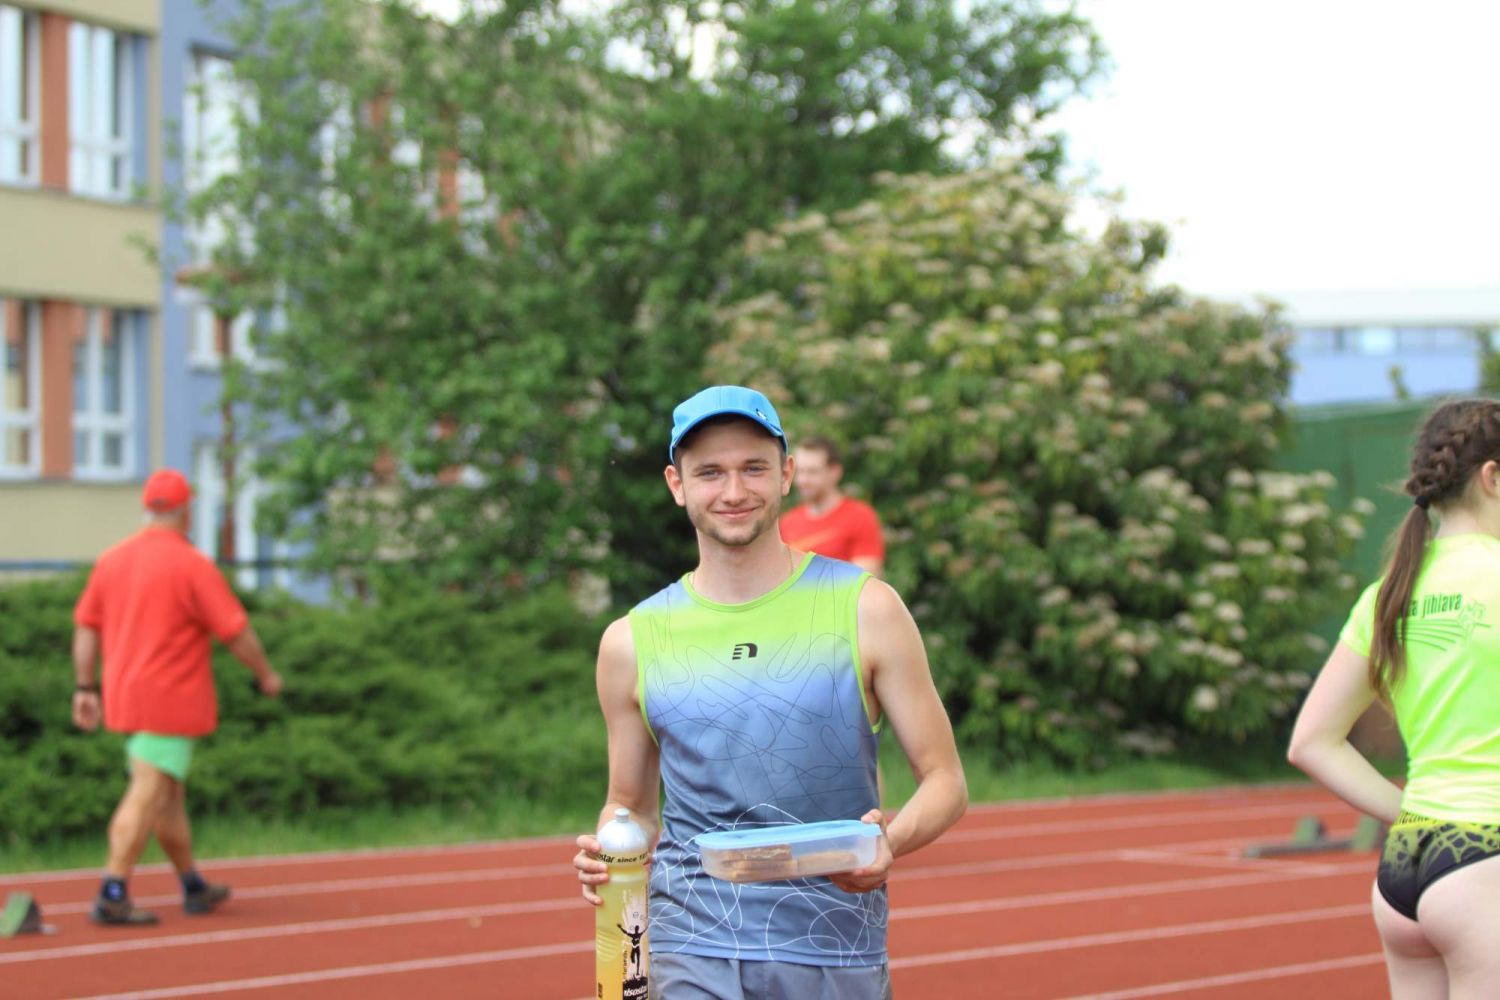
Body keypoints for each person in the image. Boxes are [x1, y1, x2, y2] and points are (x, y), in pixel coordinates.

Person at [573, 385, 968, 999]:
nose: (734, 491)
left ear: (786, 475)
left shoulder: (867, 609)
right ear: (677, 484)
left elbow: (945, 781)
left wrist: (887, 842)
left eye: (753, 468)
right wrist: (610, 847)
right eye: (710, 472)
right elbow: (631, 808)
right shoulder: (631, 640)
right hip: (690, 942)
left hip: (833, 945)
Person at [1288, 398, 1500, 999]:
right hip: (1486, 860)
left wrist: (1412, 813)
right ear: (1492, 477)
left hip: (1408, 862)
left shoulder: (1388, 593)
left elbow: (1311, 743)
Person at [72, 468, 284, 926]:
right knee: (147, 792)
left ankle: (192, 885)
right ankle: (112, 890)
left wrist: (85, 687)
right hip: (169, 700)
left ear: (146, 508)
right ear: (187, 511)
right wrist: (265, 674)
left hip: (126, 696)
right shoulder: (191, 565)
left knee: (168, 796)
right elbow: (235, 631)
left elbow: (86, 626)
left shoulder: (112, 560)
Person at [779, 435, 885, 575]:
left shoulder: (860, 517)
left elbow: (867, 579)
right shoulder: (787, 522)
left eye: (812, 472)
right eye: (800, 471)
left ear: (835, 472)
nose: (803, 480)